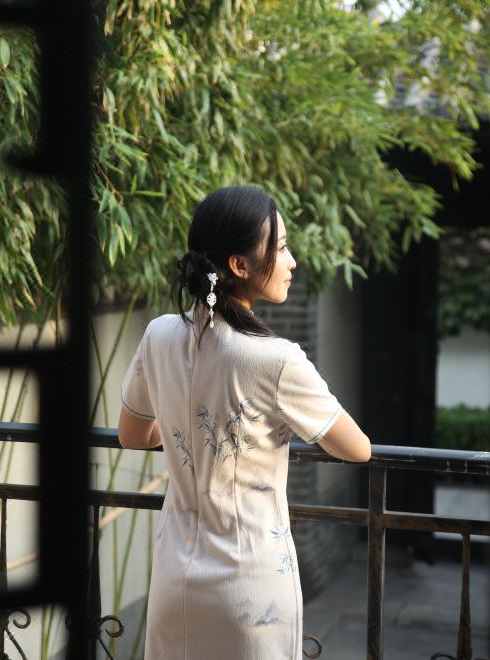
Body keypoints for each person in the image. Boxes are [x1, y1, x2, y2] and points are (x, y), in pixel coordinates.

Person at [118, 184, 371, 660]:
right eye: (281, 248)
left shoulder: (159, 334)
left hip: (174, 577)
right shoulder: (275, 359)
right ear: (239, 265)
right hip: (250, 586)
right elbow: (358, 448)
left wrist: (186, 428)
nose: (292, 261)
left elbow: (133, 435)